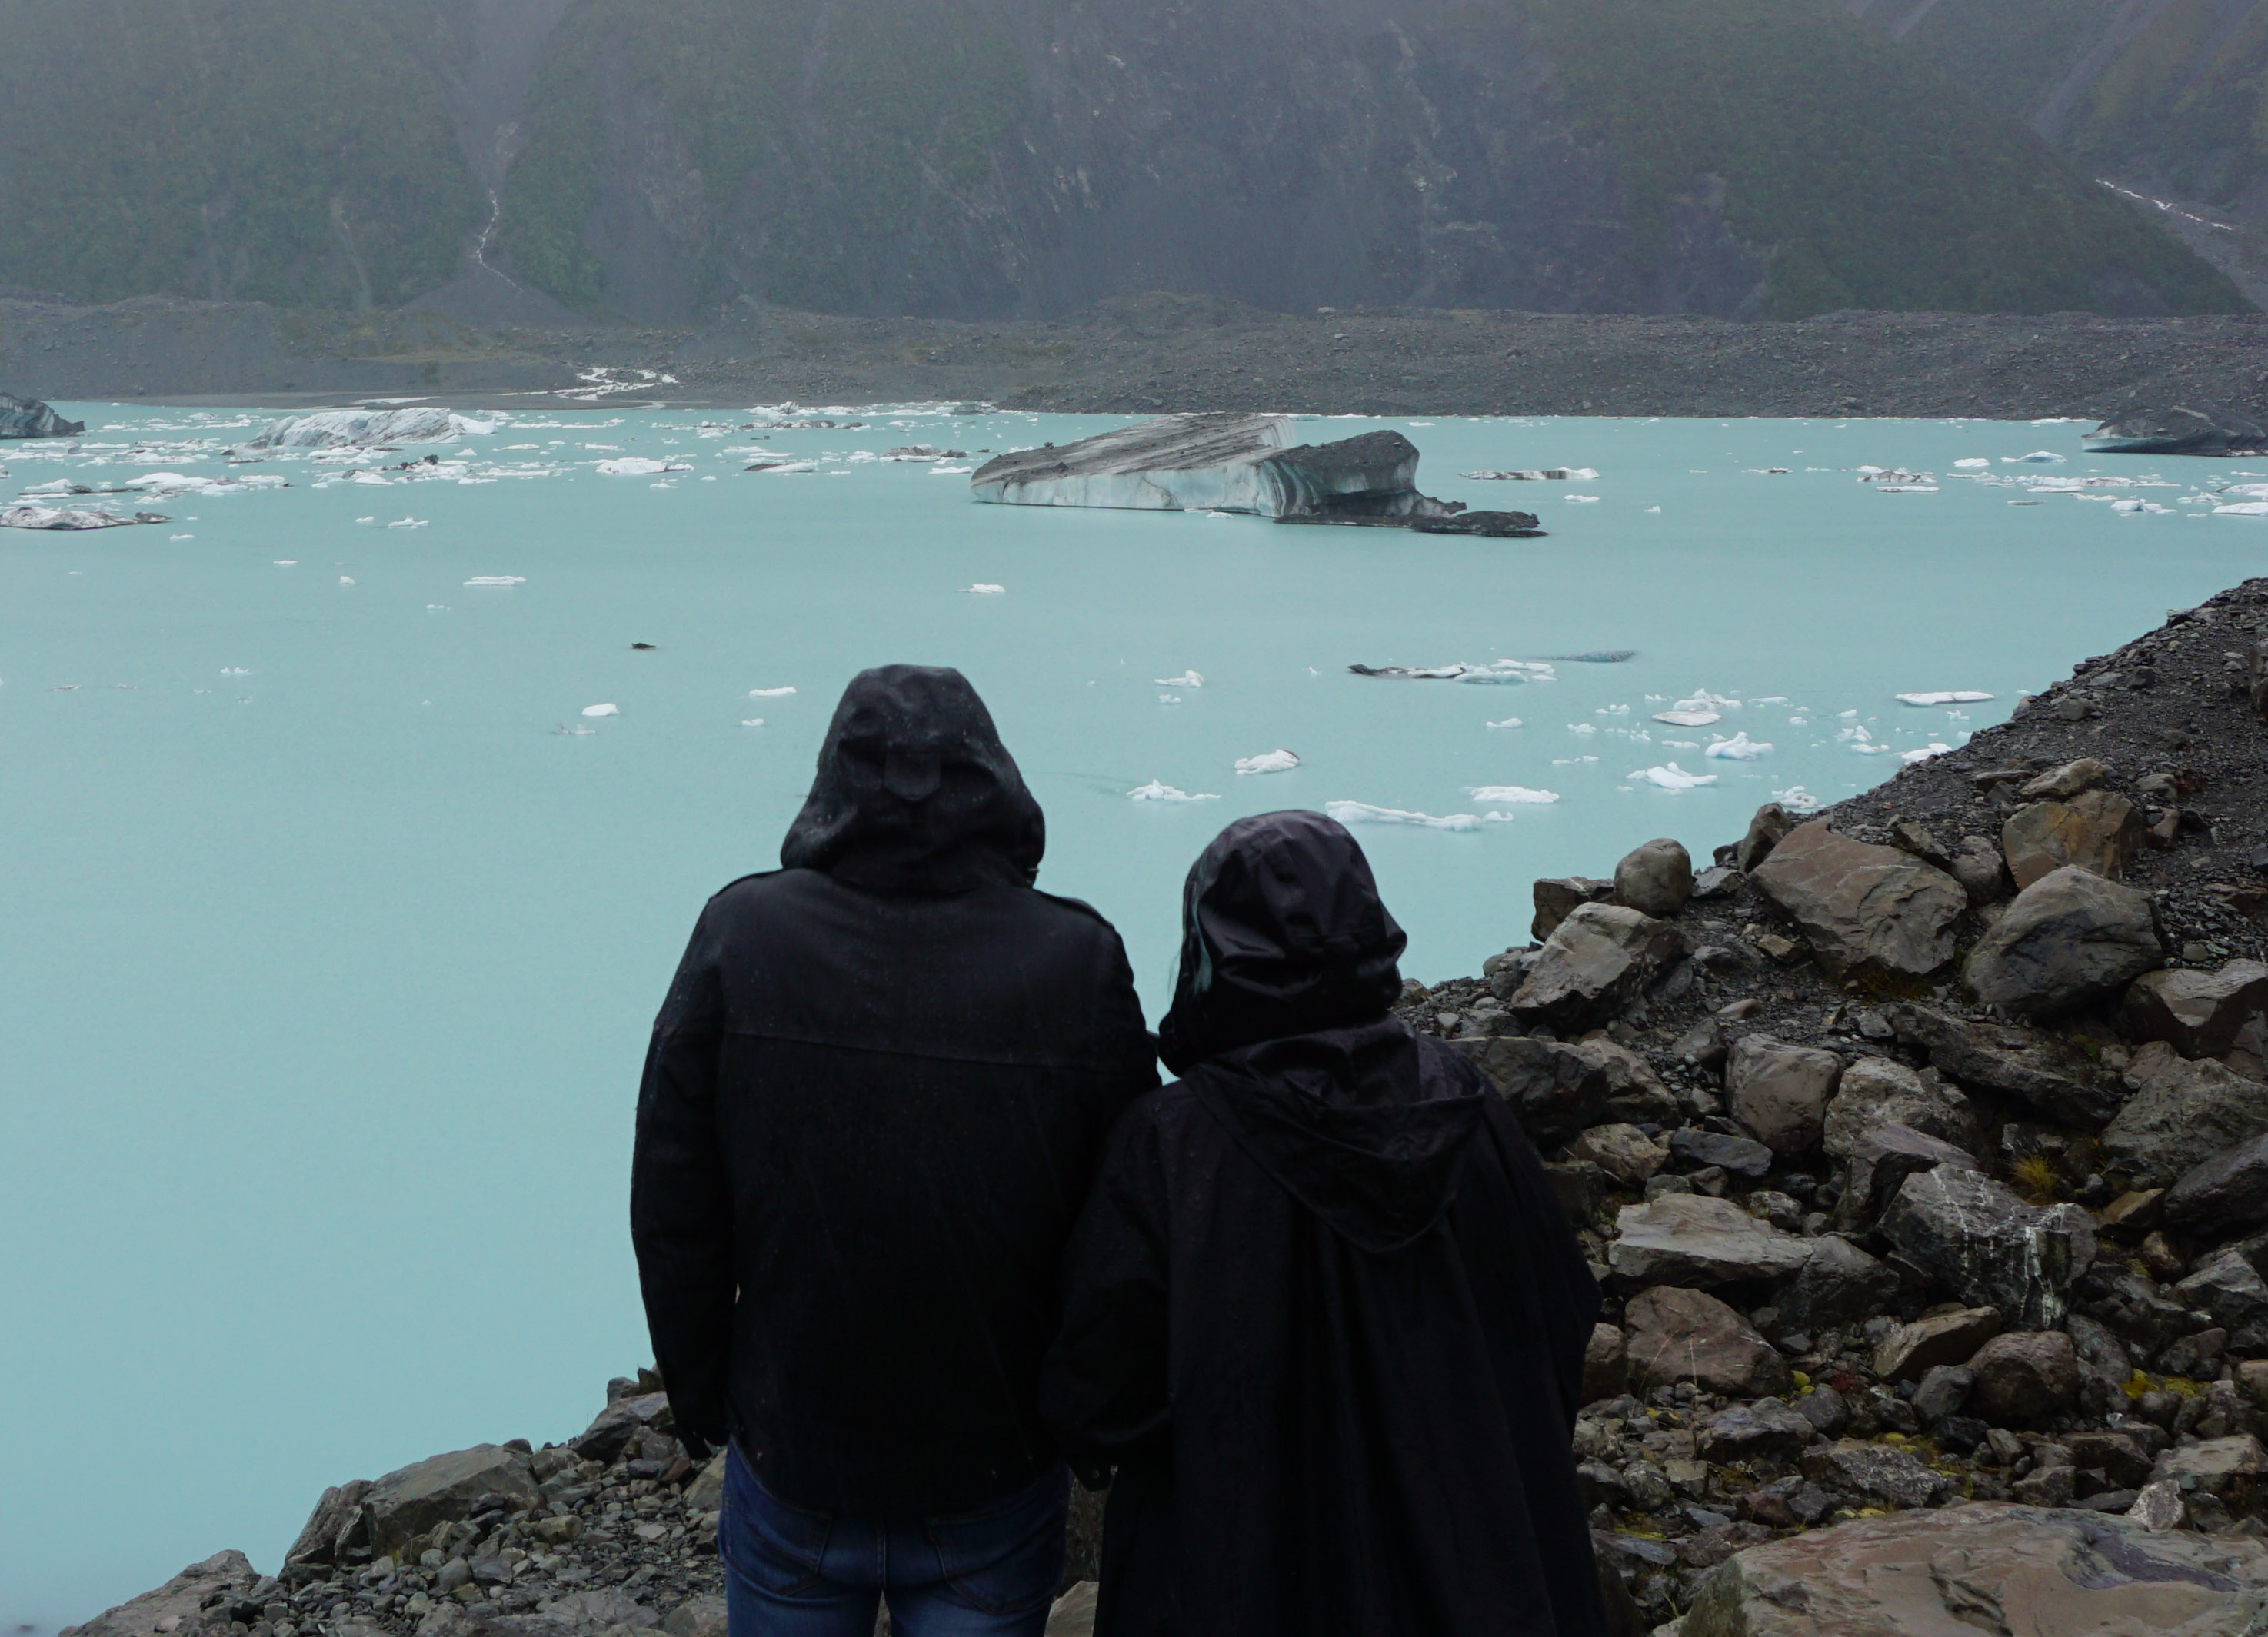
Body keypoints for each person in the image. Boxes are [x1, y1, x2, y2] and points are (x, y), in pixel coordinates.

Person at [632, 664, 1157, 1636]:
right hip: (992, 1464)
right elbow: (1129, 1219)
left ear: (831, 781)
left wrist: (702, 1392)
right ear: (994, 781)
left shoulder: (741, 932)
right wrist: (1087, 1414)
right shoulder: (1075, 958)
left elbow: (673, 1195)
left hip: (794, 1452)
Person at [1043, 810, 1610, 1636]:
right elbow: (1558, 1315)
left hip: (1240, 1572)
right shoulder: (1465, 1102)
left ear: (1211, 950)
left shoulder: (1172, 1140)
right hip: (1469, 1567)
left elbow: (1101, 1387)